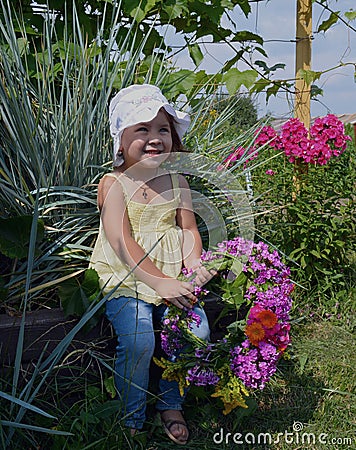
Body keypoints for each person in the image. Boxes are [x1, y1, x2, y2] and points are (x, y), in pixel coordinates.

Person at [89, 84, 214, 445]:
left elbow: (188, 229)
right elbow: (121, 242)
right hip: (126, 277)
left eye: (163, 129)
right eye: (141, 130)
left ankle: (171, 402)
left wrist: (194, 267)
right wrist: (158, 284)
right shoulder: (114, 184)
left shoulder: (177, 181)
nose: (155, 138)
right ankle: (131, 415)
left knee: (195, 332)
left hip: (171, 275)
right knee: (139, 338)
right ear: (121, 140)